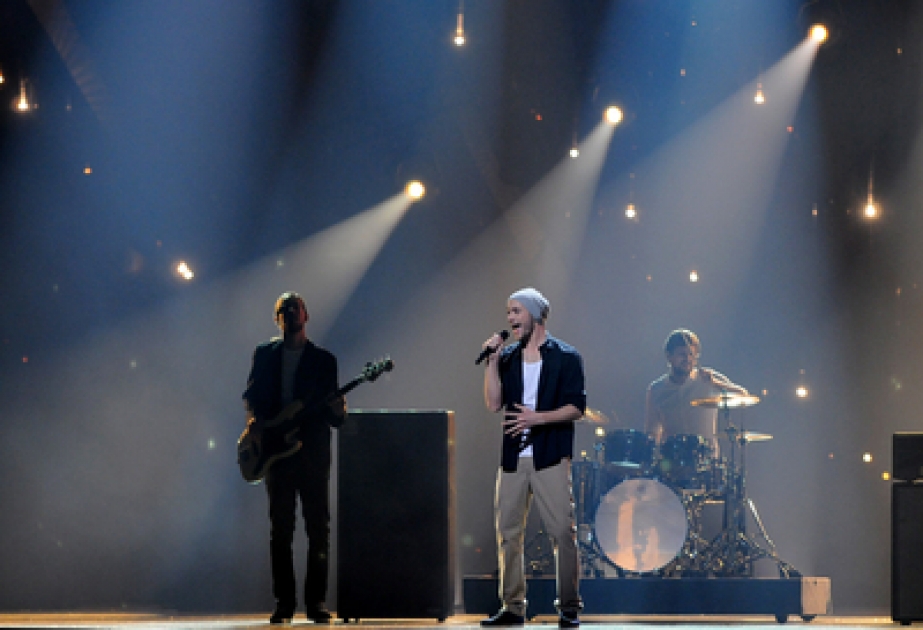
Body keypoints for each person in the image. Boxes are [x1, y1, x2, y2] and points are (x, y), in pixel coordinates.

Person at [481, 288, 585, 628]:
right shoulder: (508, 357)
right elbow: (494, 403)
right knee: (508, 532)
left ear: (535, 314)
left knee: (561, 531)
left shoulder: (566, 356)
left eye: (516, 311)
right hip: (513, 456)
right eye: (508, 312)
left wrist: (536, 418)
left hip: (550, 455)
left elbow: (576, 407)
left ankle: (569, 607)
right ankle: (512, 606)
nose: (510, 318)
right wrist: (492, 361)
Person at [242, 292, 346, 625]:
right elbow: (252, 396)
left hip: (312, 453)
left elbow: (335, 418)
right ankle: (284, 603)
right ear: (277, 319)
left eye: (295, 309)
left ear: (306, 314)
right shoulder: (264, 354)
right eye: (284, 311)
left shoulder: (323, 361)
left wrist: (337, 411)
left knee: (318, 529)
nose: (290, 314)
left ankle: (315, 602)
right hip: (277, 453)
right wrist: (255, 423)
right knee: (281, 530)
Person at [644, 329, 748, 460]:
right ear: (669, 356)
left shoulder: (708, 379)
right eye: (682, 354)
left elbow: (744, 396)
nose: (688, 359)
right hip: (673, 463)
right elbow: (652, 432)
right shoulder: (656, 389)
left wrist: (716, 384)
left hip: (707, 462)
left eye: (691, 354)